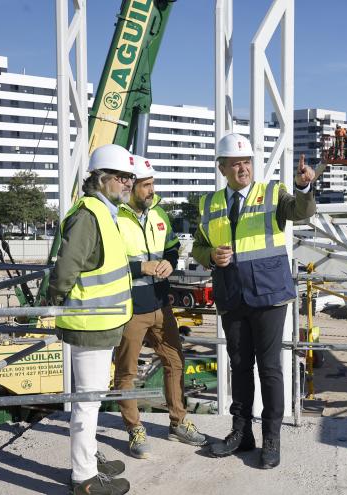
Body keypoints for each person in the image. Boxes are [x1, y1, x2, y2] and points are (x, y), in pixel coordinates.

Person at [192, 132, 318, 469]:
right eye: (235, 163)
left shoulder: (273, 194)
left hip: (268, 296)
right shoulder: (209, 203)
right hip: (232, 297)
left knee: (270, 368)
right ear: (222, 168)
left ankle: (271, 440)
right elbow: (197, 246)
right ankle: (241, 433)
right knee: (240, 367)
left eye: (246, 162)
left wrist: (305, 188)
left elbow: (302, 212)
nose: (242, 168)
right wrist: (209, 256)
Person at [48, 143, 135, 495]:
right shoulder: (89, 215)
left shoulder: (105, 212)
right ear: (101, 180)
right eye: (122, 177)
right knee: (86, 402)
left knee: (93, 399)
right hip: (89, 324)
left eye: (130, 177)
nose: (128, 183)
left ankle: (90, 458)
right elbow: (67, 267)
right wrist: (54, 301)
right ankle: (83, 478)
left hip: (102, 323)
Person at [114, 154, 206, 458]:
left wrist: (168, 262)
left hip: (160, 305)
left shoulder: (159, 214)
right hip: (129, 309)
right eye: (146, 185)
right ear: (130, 186)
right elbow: (107, 263)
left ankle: (178, 422)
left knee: (175, 361)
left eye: (153, 184)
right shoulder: (115, 217)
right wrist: (143, 267)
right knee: (126, 373)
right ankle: (134, 430)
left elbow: (171, 248)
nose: (152, 190)